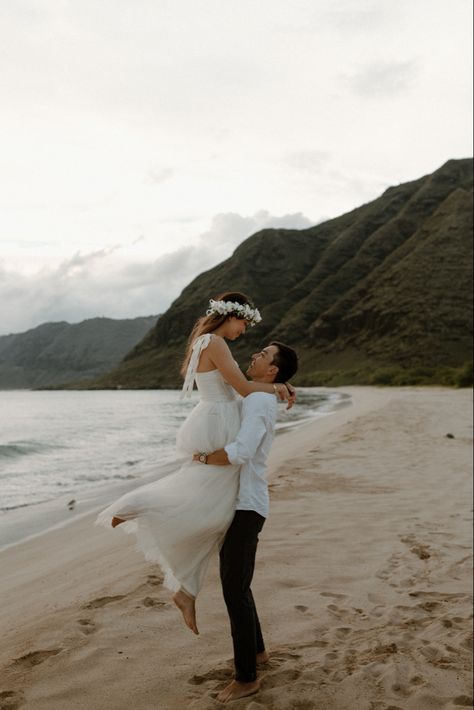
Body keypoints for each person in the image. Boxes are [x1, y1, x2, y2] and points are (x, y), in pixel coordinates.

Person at [96, 292, 294, 636]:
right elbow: (245, 388)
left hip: (217, 416)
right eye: (243, 324)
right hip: (219, 418)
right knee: (205, 495)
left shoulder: (209, 341)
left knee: (213, 509)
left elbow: (243, 388)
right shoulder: (215, 342)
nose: (244, 333)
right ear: (230, 317)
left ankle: (186, 588)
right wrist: (279, 387)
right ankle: (138, 504)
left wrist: (276, 387)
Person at [192, 340, 298, 703]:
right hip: (245, 503)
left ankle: (247, 678)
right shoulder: (258, 395)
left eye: (264, 356)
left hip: (246, 505)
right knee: (240, 585)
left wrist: (203, 459)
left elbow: (242, 451)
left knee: (234, 591)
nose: (255, 355)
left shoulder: (258, 400)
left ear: (272, 370)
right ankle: (257, 653)